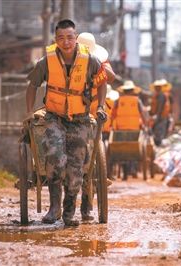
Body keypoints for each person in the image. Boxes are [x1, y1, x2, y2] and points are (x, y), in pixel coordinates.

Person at [25, 19, 108, 226]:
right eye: (61, 38)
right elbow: (32, 85)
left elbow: (103, 81)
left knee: (76, 168)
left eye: (70, 37)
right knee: (55, 157)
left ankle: (69, 211)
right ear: (56, 39)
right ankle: (55, 208)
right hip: (54, 117)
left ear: (75, 37)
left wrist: (100, 106)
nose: (66, 42)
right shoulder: (47, 61)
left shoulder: (90, 60)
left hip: (79, 120)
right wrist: (29, 112)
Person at [77, 32, 116, 221]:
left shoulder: (100, 61)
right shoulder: (67, 60)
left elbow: (112, 77)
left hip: (92, 112)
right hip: (70, 110)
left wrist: (99, 65)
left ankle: (86, 203)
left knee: (91, 157)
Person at [111, 80, 146, 180]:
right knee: (133, 150)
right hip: (135, 128)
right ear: (132, 90)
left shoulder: (118, 101)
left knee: (122, 150)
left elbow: (113, 114)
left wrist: (112, 125)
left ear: (124, 91)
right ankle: (132, 170)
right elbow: (143, 113)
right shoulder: (137, 100)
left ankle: (125, 171)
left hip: (120, 129)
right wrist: (144, 124)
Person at [150, 79, 171, 146]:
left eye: (158, 87)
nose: (157, 88)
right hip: (157, 115)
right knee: (156, 130)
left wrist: (157, 115)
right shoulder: (156, 95)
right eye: (156, 87)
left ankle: (158, 143)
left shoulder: (162, 95)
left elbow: (160, 106)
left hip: (161, 116)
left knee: (159, 130)